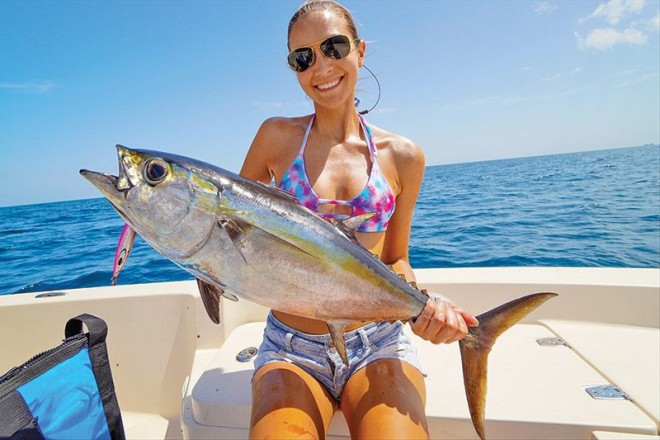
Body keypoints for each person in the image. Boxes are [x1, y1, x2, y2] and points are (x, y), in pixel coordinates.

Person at [240, 1, 479, 438]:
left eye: (334, 47)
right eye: (303, 57)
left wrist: (426, 312)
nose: (321, 66)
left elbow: (397, 259)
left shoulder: (403, 157)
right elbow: (232, 229)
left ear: (360, 51)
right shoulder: (275, 137)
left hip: (379, 343)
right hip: (290, 348)